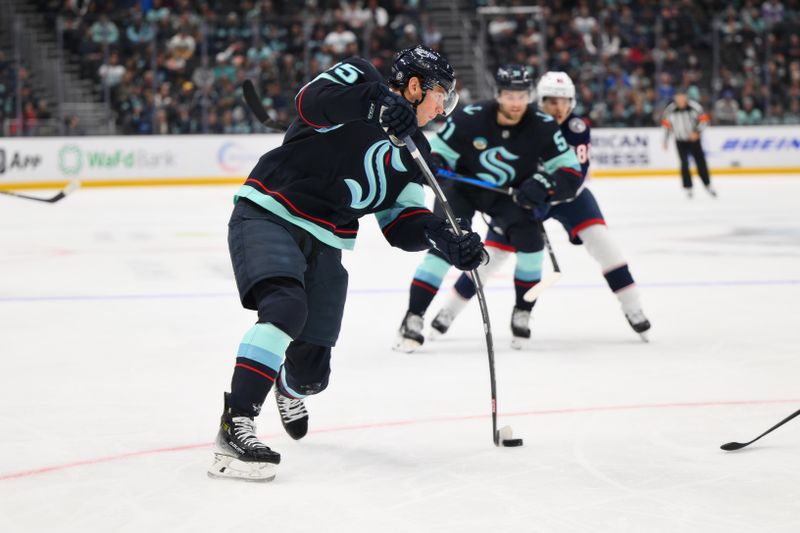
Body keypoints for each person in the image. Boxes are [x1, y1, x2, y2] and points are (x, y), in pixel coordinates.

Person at [209, 45, 484, 482]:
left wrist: (443, 240)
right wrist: (373, 104)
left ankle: (286, 386)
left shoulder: (416, 152)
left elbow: (402, 224)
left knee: (312, 377)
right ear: (415, 86)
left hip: (326, 240)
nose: (443, 108)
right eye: (441, 95)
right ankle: (235, 425)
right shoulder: (359, 78)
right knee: (284, 307)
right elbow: (310, 103)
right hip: (268, 211)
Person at [430, 71, 652, 347]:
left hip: (569, 199)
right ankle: (448, 311)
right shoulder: (524, 119)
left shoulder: (576, 128)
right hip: (522, 198)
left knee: (604, 245)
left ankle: (633, 307)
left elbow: (575, 176)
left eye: (564, 101)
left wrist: (543, 188)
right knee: (492, 257)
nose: (558, 108)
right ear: (539, 100)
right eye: (551, 101)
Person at [394, 64, 583, 353]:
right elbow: (438, 155)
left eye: (521, 96)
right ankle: (414, 316)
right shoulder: (472, 118)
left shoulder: (542, 125)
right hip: (462, 192)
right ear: (498, 95)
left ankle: (523, 309)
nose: (516, 103)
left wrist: (544, 185)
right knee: (444, 246)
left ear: (529, 96)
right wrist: (439, 165)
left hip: (510, 196)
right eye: (509, 95)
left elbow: (570, 172)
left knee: (531, 245)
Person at [661, 90, 715, 198]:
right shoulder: (670, 110)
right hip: (680, 140)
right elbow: (667, 126)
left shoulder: (695, 107)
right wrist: (665, 140)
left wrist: (697, 132)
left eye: (682, 97)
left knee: (701, 162)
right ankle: (688, 187)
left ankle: (707, 184)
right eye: (678, 97)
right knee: (684, 164)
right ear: (675, 97)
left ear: (686, 97)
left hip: (694, 140)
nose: (680, 99)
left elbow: (705, 121)